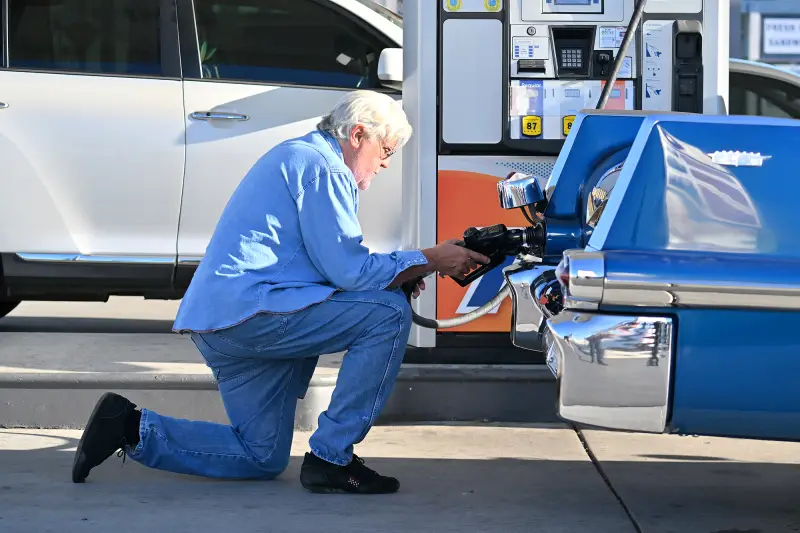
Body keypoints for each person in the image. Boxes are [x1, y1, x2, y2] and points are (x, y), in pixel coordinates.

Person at [70, 90, 489, 494]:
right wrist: (430, 259)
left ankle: (126, 425)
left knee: (261, 456)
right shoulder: (322, 166)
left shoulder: (301, 155)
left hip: (224, 323)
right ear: (358, 134)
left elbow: (328, 263)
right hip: (253, 316)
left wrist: (406, 269)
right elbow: (348, 270)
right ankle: (331, 459)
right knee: (387, 314)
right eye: (386, 150)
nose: (385, 164)